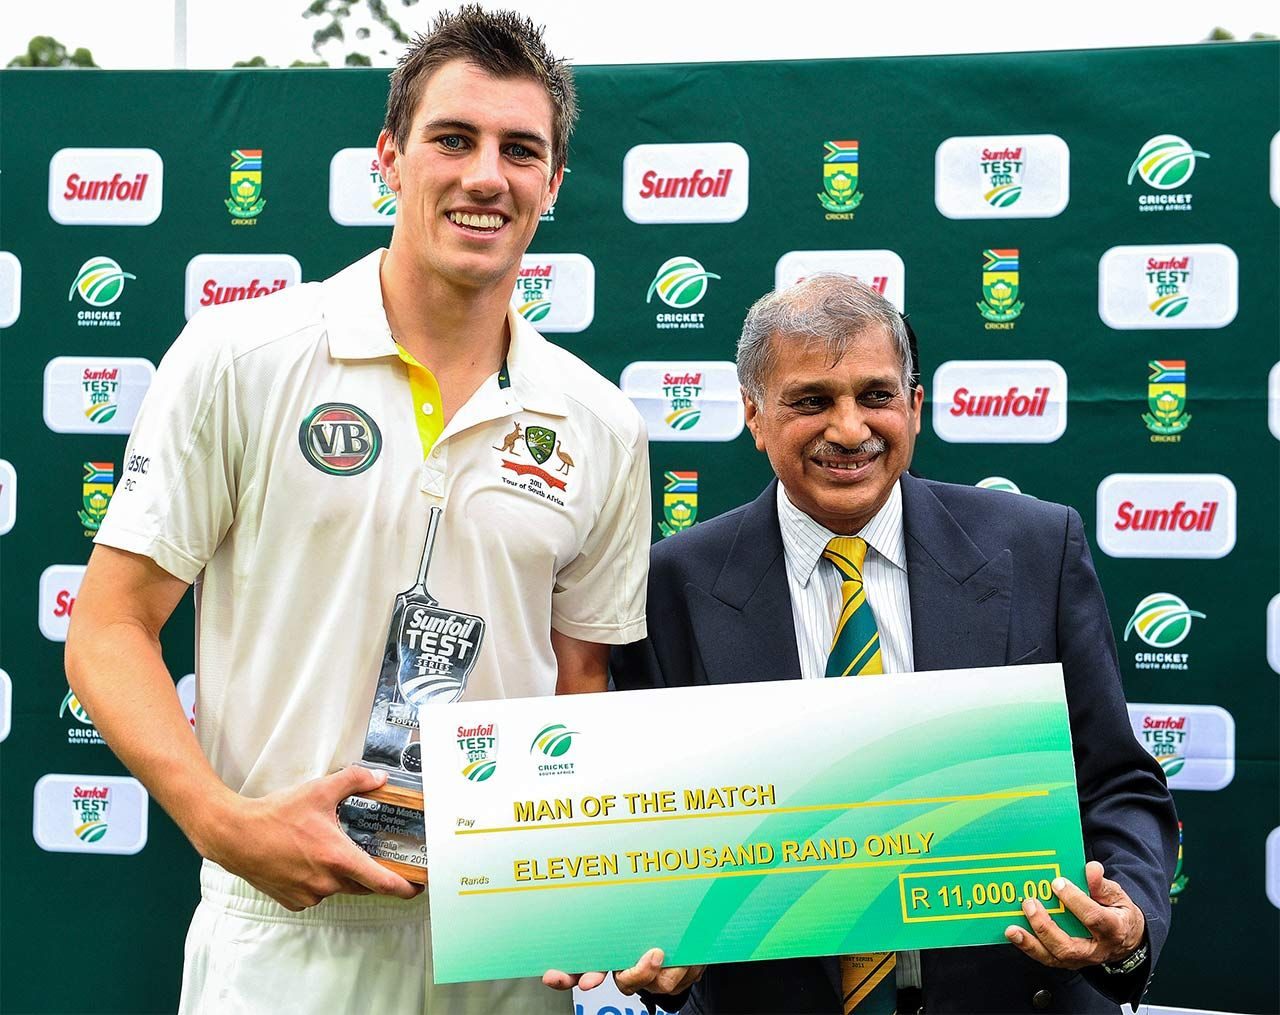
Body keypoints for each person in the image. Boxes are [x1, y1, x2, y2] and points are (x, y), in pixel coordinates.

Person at [65, 8, 649, 1013]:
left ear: (552, 185)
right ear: (389, 156)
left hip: (501, 941)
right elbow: (108, 627)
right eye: (452, 139)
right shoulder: (239, 359)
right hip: (284, 929)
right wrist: (218, 820)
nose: (484, 176)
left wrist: (579, 884)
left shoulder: (597, 421)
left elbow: (579, 677)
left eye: (520, 151)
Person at [597, 274, 1177, 1014]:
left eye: (876, 395)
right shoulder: (668, 586)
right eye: (811, 400)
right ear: (753, 413)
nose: (849, 429)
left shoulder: (1038, 548)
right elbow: (650, 828)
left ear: (915, 404)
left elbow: (1118, 784)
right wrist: (648, 944)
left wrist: (1125, 925)